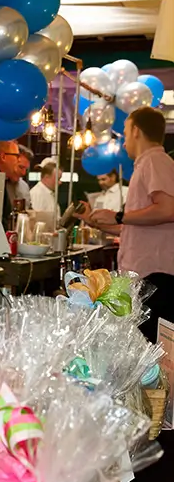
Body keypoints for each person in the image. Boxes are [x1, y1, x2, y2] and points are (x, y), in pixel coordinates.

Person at [78, 107, 174, 342]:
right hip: (147, 275)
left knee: (153, 346)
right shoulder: (147, 163)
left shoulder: (154, 160)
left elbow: (168, 209)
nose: (124, 140)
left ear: (137, 131)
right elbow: (138, 226)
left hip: (156, 276)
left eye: (125, 132)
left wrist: (119, 216)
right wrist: (99, 222)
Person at [29, 160, 60, 226]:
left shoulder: (49, 193)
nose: (60, 182)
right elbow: (35, 221)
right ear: (47, 177)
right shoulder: (37, 193)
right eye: (58, 179)